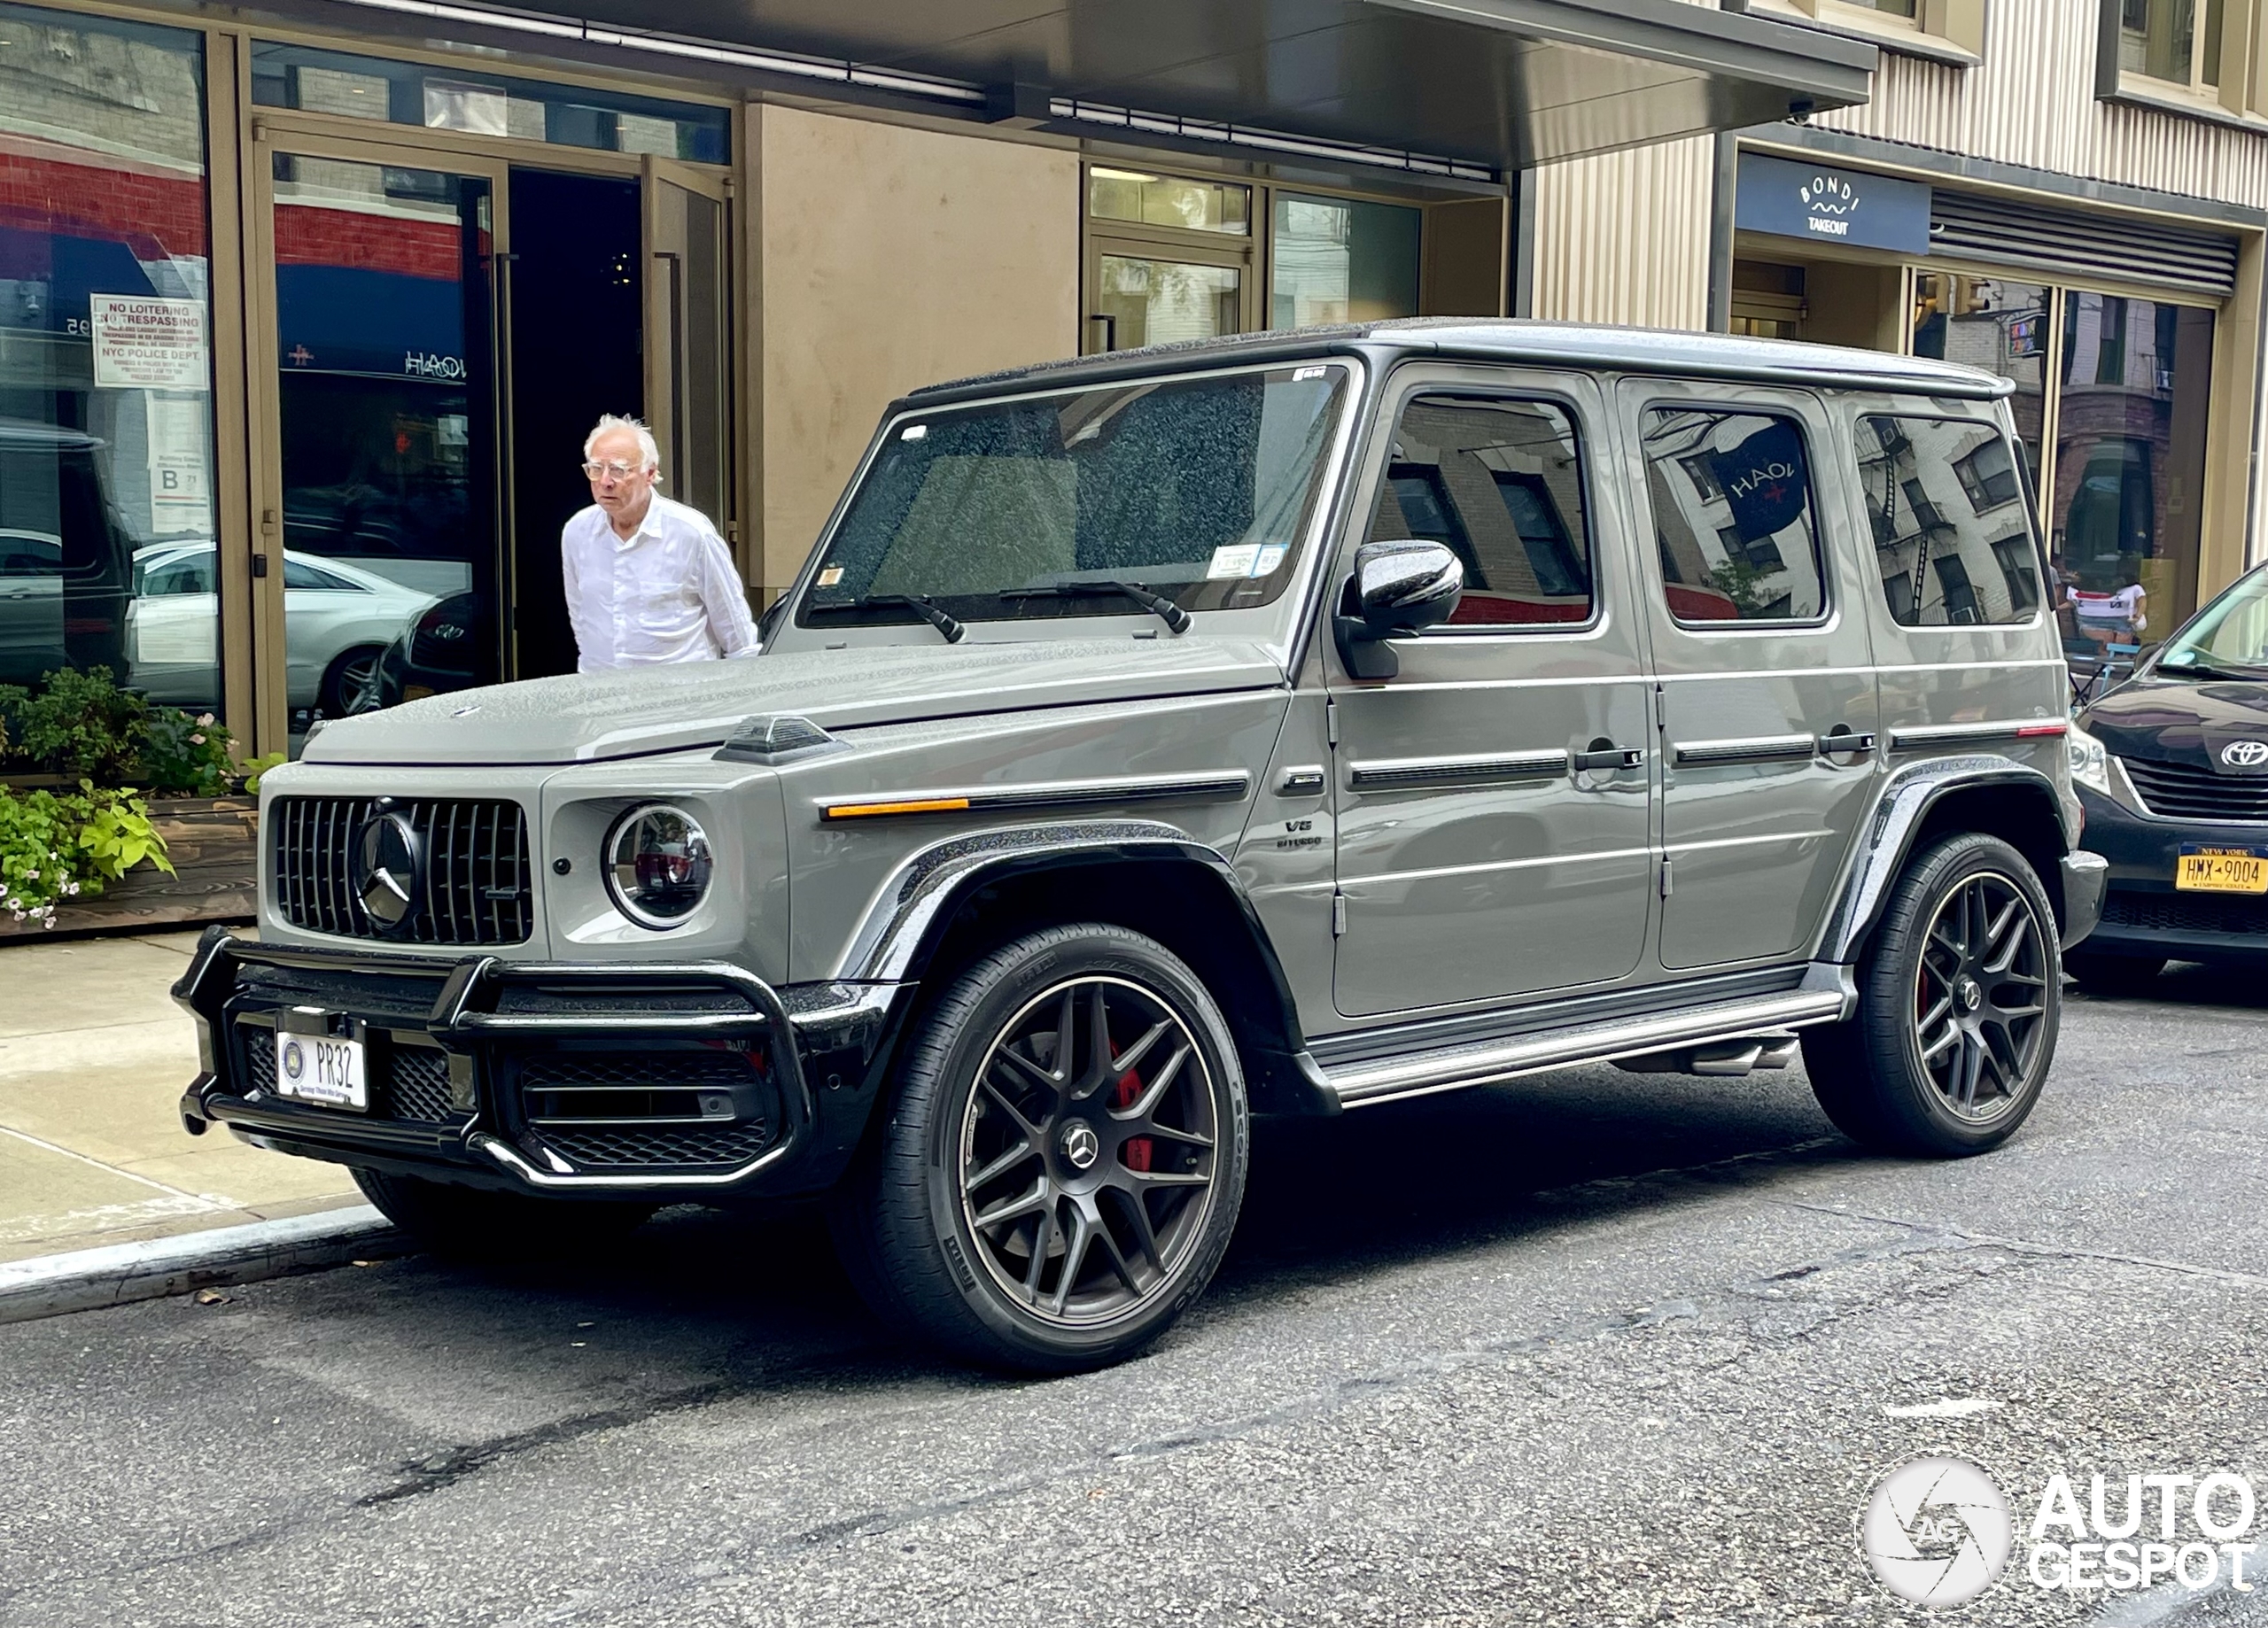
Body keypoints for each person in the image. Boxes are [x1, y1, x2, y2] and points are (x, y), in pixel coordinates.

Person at [562, 414, 758, 672]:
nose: (606, 482)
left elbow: (737, 634)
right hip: (601, 698)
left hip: (678, 700)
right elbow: (581, 617)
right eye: (596, 469)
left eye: (619, 470)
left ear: (650, 473)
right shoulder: (578, 532)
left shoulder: (692, 534)